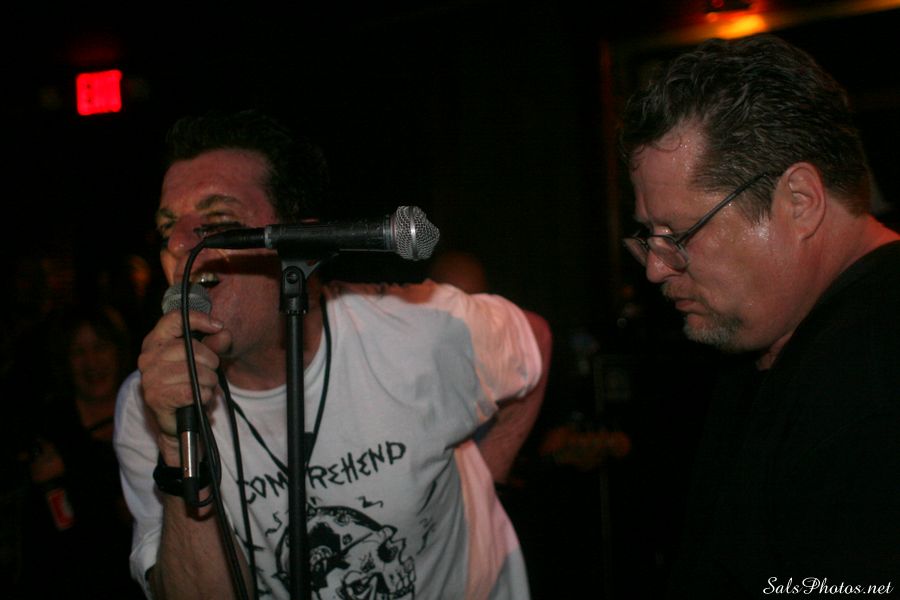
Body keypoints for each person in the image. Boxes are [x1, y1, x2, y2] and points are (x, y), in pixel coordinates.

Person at [113, 109, 552, 600]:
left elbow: (533, 339)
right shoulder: (149, 405)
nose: (178, 244)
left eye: (217, 221)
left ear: (301, 245)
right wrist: (178, 446)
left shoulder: (418, 331)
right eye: (168, 228)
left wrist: (488, 479)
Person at [617, 33, 900, 598]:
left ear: (799, 201)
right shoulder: (774, 334)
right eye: (649, 235)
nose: (654, 268)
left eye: (680, 234)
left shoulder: (873, 381)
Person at [13, 304, 144, 599]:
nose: (91, 362)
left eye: (100, 347)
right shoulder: (51, 426)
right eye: (78, 352)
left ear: (118, 351)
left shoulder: (146, 414)